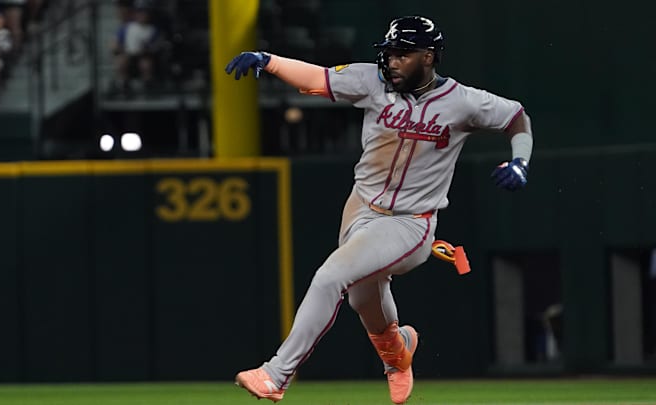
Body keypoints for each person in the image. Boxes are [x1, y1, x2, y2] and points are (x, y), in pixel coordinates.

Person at [225, 15, 533, 404]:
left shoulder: (462, 102)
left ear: (430, 56)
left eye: (403, 54)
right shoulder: (372, 81)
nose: (392, 61)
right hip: (360, 206)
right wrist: (268, 60)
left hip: (409, 222)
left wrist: (519, 161)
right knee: (361, 297)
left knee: (330, 277)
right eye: (389, 53)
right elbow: (316, 79)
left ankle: (276, 374)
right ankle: (399, 352)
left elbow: (517, 117)